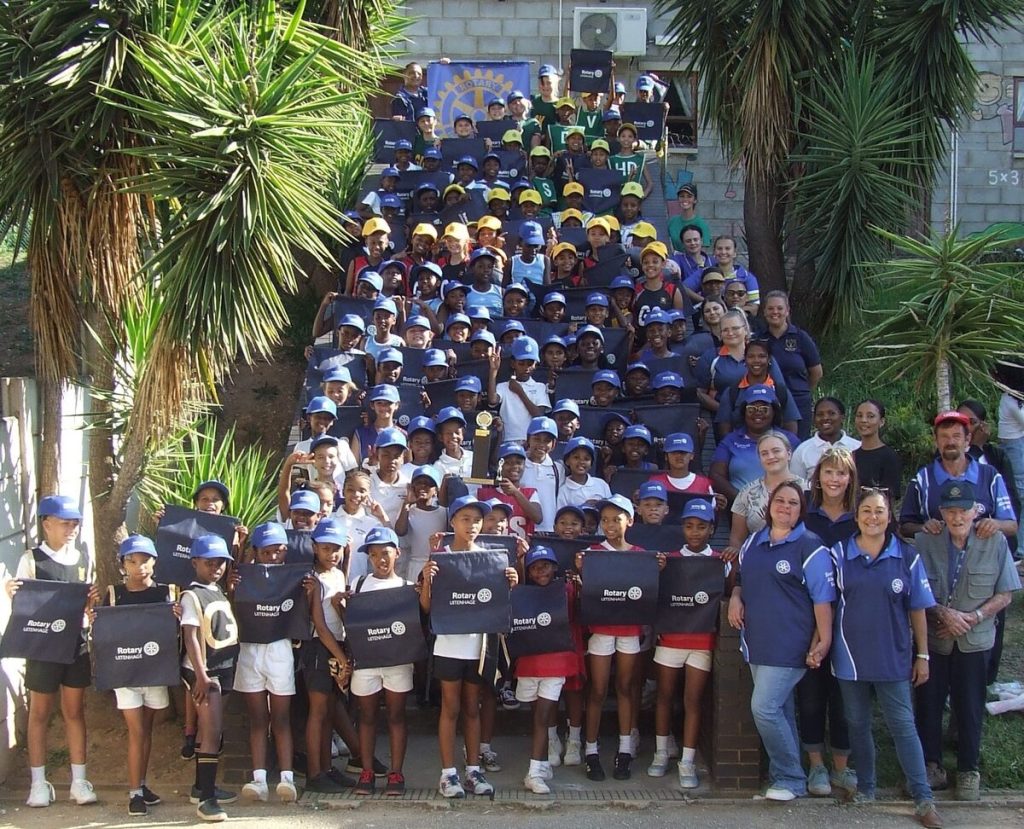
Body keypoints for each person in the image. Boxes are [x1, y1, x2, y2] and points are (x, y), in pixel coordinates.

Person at [832, 488, 944, 829]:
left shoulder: (906, 557)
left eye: (879, 511)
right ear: (856, 516)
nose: (872, 517)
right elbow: (823, 605)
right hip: (849, 659)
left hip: (893, 657)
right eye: (866, 511)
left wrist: (922, 654)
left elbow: (918, 611)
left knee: (903, 727)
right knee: (858, 724)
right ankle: (866, 788)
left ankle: (923, 798)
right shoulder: (838, 554)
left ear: (889, 516)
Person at [727, 481, 835, 801]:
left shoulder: (810, 545)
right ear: (769, 505)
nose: (785, 507)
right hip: (757, 640)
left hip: (791, 643)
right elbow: (743, 578)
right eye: (781, 501)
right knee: (781, 711)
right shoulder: (753, 542)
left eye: (793, 503)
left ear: (801, 511)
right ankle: (779, 777)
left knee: (764, 708)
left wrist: (824, 640)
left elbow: (823, 598)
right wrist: (735, 596)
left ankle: (791, 777)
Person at [913, 480, 1020, 801]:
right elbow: (915, 590)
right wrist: (944, 614)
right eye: (950, 510)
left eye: (963, 510)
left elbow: (1005, 594)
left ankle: (968, 768)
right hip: (935, 638)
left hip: (976, 640)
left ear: (976, 511)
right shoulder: (925, 541)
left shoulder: (995, 541)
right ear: (941, 512)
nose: (957, 517)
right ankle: (931, 765)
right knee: (928, 705)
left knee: (970, 706)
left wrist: (971, 619)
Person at [419, 496, 519, 798]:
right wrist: (427, 581)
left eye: (476, 520)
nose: (471, 525)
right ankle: (448, 774)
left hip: (480, 647)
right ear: (452, 522)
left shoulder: (492, 558)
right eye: (465, 519)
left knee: (473, 708)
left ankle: (473, 771)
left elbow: (499, 605)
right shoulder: (440, 556)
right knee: (450, 708)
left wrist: (511, 582)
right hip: (448, 645)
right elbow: (426, 608)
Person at [5, 495, 100, 808]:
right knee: (40, 713)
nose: (71, 529)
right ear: (46, 524)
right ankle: (38, 783)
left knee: (74, 711)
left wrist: (91, 604)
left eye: (74, 523)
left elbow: (88, 606)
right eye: (64, 523)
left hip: (75, 643)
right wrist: (11, 592)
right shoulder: (31, 559)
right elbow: (24, 602)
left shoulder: (84, 558)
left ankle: (79, 781)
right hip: (42, 647)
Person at [575, 495, 666, 782]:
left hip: (629, 631)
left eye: (617, 518)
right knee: (598, 690)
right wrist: (581, 571)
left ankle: (625, 750)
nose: (610, 524)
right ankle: (590, 750)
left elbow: (649, 592)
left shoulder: (641, 553)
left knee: (626, 687)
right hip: (601, 630)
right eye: (605, 520)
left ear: (630, 520)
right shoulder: (592, 552)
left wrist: (657, 570)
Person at [97, 534, 177, 816]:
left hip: (155, 673)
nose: (139, 566)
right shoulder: (112, 594)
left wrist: (176, 615)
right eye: (132, 561)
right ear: (123, 564)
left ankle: (142, 786)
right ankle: (134, 794)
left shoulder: (167, 593)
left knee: (147, 731)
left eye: (145, 560)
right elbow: (101, 632)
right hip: (126, 675)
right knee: (137, 731)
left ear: (154, 562)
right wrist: (93, 614)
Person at [648, 500, 724, 789]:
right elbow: (653, 595)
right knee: (664, 697)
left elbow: (726, 594)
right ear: (682, 528)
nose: (695, 532)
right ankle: (660, 753)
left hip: (701, 641)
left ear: (711, 529)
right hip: (670, 638)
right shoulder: (667, 559)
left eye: (701, 527)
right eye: (689, 526)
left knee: (693, 701)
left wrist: (731, 565)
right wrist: (659, 571)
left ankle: (688, 761)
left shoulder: (719, 561)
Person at [796, 447, 857, 795]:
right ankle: (816, 765)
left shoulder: (862, 515)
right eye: (828, 472)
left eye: (841, 473)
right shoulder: (806, 516)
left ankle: (842, 768)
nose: (834, 479)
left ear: (850, 478)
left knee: (845, 696)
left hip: (851, 619)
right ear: (818, 476)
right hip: (811, 617)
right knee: (812, 695)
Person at [349, 527, 416, 797]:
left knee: (396, 716)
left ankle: (396, 772)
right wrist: (341, 605)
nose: (380, 559)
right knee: (366, 717)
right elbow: (351, 623)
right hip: (366, 662)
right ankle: (366, 772)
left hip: (397, 661)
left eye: (386, 553)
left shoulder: (407, 587)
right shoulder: (358, 584)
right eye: (374, 554)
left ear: (397, 553)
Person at [235, 523, 298, 805]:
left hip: (280, 649)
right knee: (258, 718)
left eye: (278, 552)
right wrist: (242, 545)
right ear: (256, 552)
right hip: (249, 650)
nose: (273, 557)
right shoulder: (243, 575)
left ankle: (287, 778)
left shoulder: (293, 577)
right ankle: (259, 779)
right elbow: (234, 578)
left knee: (281, 718)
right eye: (267, 552)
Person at [180, 534, 241, 821]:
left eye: (221, 563)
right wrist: (202, 676)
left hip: (223, 665)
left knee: (211, 732)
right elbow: (190, 636)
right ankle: (206, 800)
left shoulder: (217, 590)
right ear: (195, 563)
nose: (216, 567)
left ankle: (200, 786)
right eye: (209, 562)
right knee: (212, 733)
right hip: (206, 672)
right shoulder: (191, 596)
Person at [515, 546, 581, 794]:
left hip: (556, 664)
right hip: (529, 664)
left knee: (542, 716)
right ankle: (541, 764)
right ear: (528, 571)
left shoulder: (567, 589)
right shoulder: (521, 593)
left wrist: (580, 579)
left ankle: (533, 773)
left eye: (546, 565)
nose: (541, 570)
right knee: (537, 718)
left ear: (555, 567)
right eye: (535, 566)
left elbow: (581, 609)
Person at [900, 410, 1018, 542]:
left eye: (956, 436)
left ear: (967, 440)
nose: (950, 442)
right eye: (944, 436)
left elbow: (1012, 526)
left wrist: (995, 525)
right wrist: (924, 527)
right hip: (937, 557)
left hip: (983, 556)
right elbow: (905, 526)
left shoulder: (990, 475)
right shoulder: (923, 479)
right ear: (936, 441)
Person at [710, 385, 801, 499]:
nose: (758, 413)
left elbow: (801, 474)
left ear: (774, 411)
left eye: (764, 409)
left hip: (782, 506)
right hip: (740, 508)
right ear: (743, 412)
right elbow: (716, 475)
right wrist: (742, 500)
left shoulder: (789, 440)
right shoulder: (730, 441)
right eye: (751, 409)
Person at [727, 431, 806, 554]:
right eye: (764, 453)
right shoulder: (746, 492)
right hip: (758, 560)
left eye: (776, 451)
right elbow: (737, 540)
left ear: (789, 454)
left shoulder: (807, 489)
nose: (770, 456)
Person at [760, 291, 823, 438]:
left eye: (780, 308)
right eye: (770, 308)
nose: (775, 312)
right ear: (764, 311)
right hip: (768, 402)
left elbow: (816, 372)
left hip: (799, 401)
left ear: (787, 311)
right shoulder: (758, 339)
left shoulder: (801, 338)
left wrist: (803, 390)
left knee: (798, 447)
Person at [789, 397, 861, 481]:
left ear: (842, 417)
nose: (825, 418)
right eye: (820, 414)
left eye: (831, 413)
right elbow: (796, 485)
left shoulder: (857, 447)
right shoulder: (802, 451)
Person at [852, 399, 903, 495]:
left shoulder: (889, 457)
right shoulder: (851, 457)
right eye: (859, 416)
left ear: (882, 422)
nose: (863, 420)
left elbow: (891, 496)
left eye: (870, 416)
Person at [997, 390, 1024, 551]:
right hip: (1013, 448)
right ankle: (1019, 548)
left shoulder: (1016, 398)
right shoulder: (1010, 399)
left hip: (1017, 445)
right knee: (1020, 496)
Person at [667, 183, 710, 251]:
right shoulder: (672, 222)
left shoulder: (701, 224)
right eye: (682, 196)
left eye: (689, 196)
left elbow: (703, 250)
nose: (685, 199)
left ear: (695, 200)